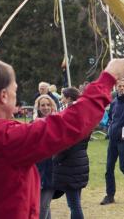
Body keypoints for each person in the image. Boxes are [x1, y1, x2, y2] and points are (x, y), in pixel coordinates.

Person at [0, 56, 124, 219]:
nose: (16, 97)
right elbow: (70, 123)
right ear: (3, 96)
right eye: (14, 91)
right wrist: (109, 77)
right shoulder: (5, 139)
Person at [52, 87, 91, 219]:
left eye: (63, 97)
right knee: (75, 203)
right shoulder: (83, 113)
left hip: (70, 163)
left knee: (74, 205)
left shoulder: (71, 114)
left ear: (69, 98)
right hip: (79, 159)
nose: (61, 99)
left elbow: (69, 143)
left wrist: (56, 158)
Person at [33, 94, 59, 219]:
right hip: (37, 170)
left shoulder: (57, 122)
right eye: (42, 105)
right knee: (42, 205)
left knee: (42, 207)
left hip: (52, 170)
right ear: (38, 107)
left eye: (48, 105)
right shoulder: (33, 124)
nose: (45, 107)